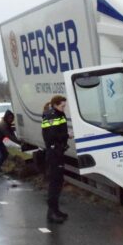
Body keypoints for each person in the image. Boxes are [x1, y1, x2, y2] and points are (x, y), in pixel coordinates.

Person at [41, 95, 69, 223]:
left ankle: (55, 210)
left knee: (58, 181)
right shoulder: (52, 116)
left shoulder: (57, 114)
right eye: (62, 106)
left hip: (58, 151)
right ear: (56, 105)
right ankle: (51, 213)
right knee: (55, 182)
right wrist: (67, 135)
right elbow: (52, 135)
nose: (64, 108)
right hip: (54, 153)